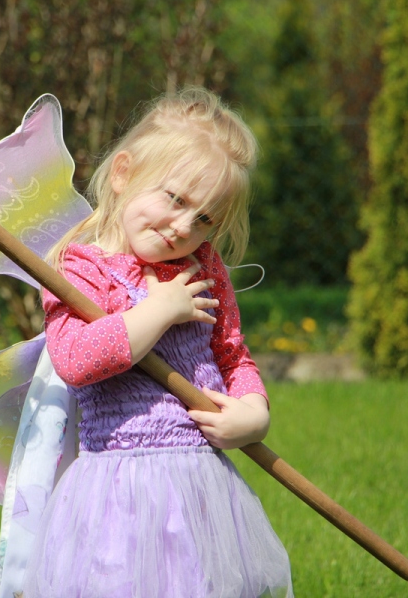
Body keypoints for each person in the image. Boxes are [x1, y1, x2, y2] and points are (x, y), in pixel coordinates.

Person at [22, 88, 293, 598]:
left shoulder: (204, 266)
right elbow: (77, 360)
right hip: (119, 492)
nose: (185, 227)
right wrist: (159, 310)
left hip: (199, 486)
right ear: (124, 174)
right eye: (175, 199)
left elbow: (232, 354)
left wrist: (254, 411)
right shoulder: (80, 267)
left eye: (206, 219)